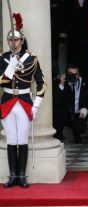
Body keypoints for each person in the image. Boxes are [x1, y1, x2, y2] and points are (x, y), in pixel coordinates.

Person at [0, 13, 47, 188]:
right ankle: (12, 176)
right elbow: (1, 81)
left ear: (22, 40)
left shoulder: (32, 59)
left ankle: (22, 175)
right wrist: (10, 68)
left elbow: (42, 84)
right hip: (7, 100)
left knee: (23, 139)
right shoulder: (3, 58)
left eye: (16, 40)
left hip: (25, 101)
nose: (13, 43)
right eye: (11, 40)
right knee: (11, 139)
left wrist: (36, 105)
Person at [53, 63, 88, 143]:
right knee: (58, 113)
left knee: (80, 127)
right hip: (66, 112)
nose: (73, 76)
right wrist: (62, 84)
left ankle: (77, 134)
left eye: (75, 74)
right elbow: (56, 101)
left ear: (79, 74)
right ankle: (59, 134)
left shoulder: (85, 82)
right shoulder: (62, 82)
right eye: (70, 74)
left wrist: (85, 109)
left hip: (78, 112)